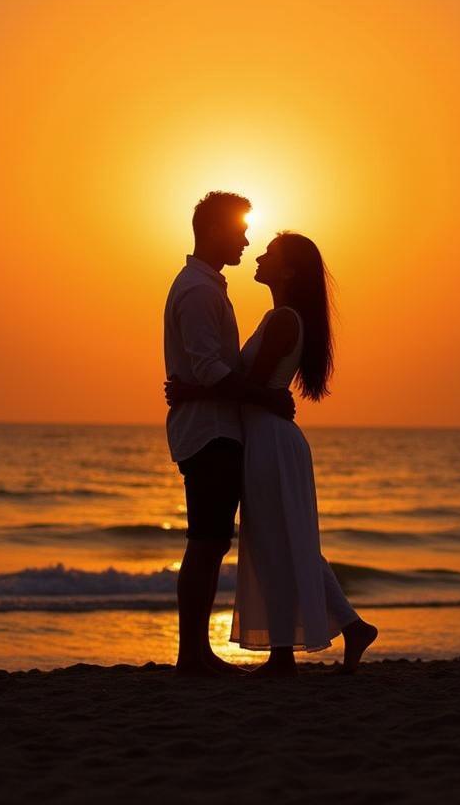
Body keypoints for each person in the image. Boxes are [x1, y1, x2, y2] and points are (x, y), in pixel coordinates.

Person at [167, 231, 378, 676]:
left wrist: (190, 390)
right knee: (284, 537)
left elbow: (254, 391)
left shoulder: (283, 319)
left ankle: (285, 653)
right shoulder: (278, 316)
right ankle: (343, 630)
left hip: (268, 439)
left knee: (275, 541)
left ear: (288, 270)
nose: (258, 255)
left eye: (269, 253)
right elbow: (254, 390)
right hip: (264, 436)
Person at [163, 191, 295, 676]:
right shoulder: (198, 291)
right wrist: (266, 399)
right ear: (215, 230)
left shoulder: (208, 286)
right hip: (209, 432)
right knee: (206, 541)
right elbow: (209, 367)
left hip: (215, 425)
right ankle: (191, 655)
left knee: (211, 541)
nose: (246, 240)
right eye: (240, 230)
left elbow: (205, 373)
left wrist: (191, 389)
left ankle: (195, 653)